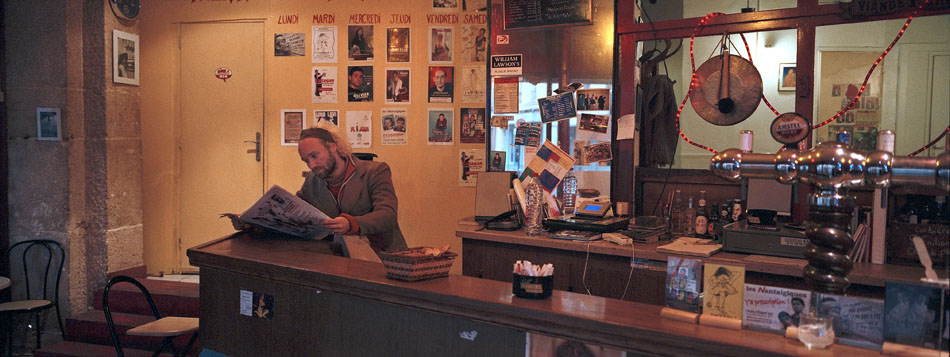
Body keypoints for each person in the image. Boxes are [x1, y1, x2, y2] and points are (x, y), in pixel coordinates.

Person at [296, 123, 407, 253]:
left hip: (384, 256)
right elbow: (296, 207)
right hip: (338, 257)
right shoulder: (312, 179)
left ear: (332, 147)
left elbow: (388, 215)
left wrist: (351, 223)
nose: (312, 165)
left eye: (315, 156)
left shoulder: (375, 171)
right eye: (306, 161)